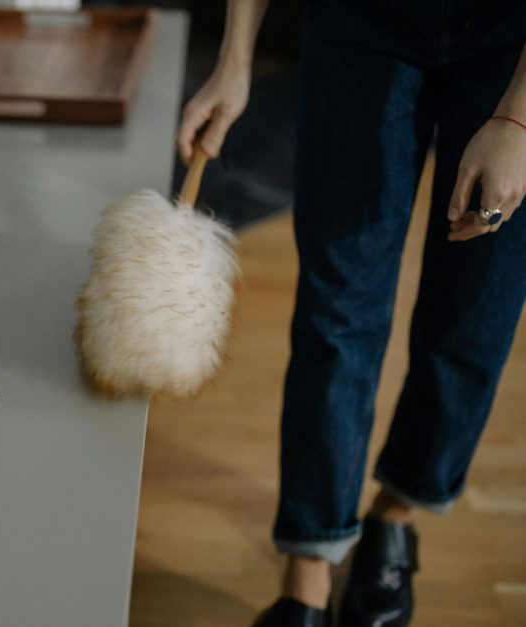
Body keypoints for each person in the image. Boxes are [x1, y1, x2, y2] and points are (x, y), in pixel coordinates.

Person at [177, 1, 526, 626]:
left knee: (478, 311)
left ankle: (395, 515)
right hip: (363, 20)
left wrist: (519, 118)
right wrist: (234, 59)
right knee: (338, 307)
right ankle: (309, 566)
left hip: (512, 41)